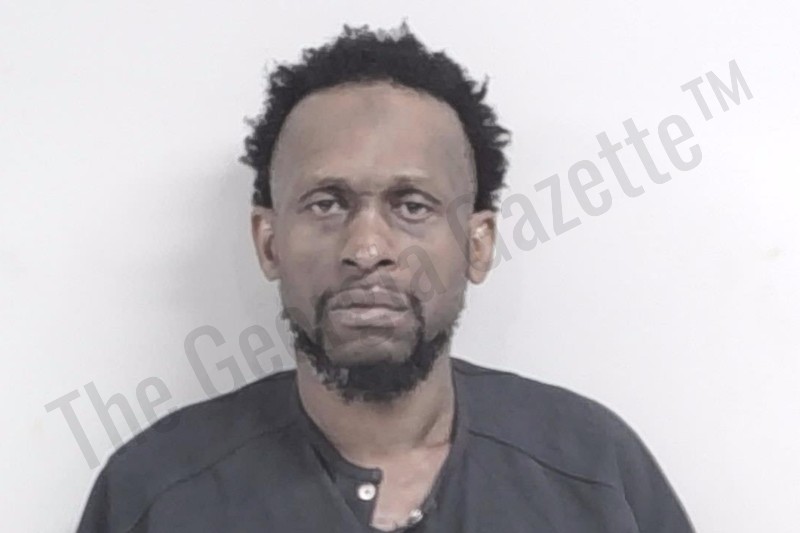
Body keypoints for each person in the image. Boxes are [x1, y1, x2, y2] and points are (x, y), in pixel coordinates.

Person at [77, 22, 696, 532]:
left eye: (413, 205)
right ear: (268, 242)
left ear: (477, 244)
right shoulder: (157, 494)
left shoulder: (594, 473)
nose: (367, 248)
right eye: (326, 203)